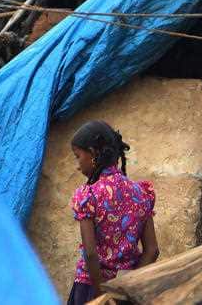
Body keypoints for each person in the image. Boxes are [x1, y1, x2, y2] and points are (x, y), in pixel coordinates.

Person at [68, 121, 160, 304]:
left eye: (78, 157)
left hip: (92, 288)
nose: (77, 166)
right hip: (127, 292)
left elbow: (91, 254)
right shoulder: (141, 193)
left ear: (93, 153)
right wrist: (127, 288)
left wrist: (103, 296)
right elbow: (152, 250)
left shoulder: (89, 196)